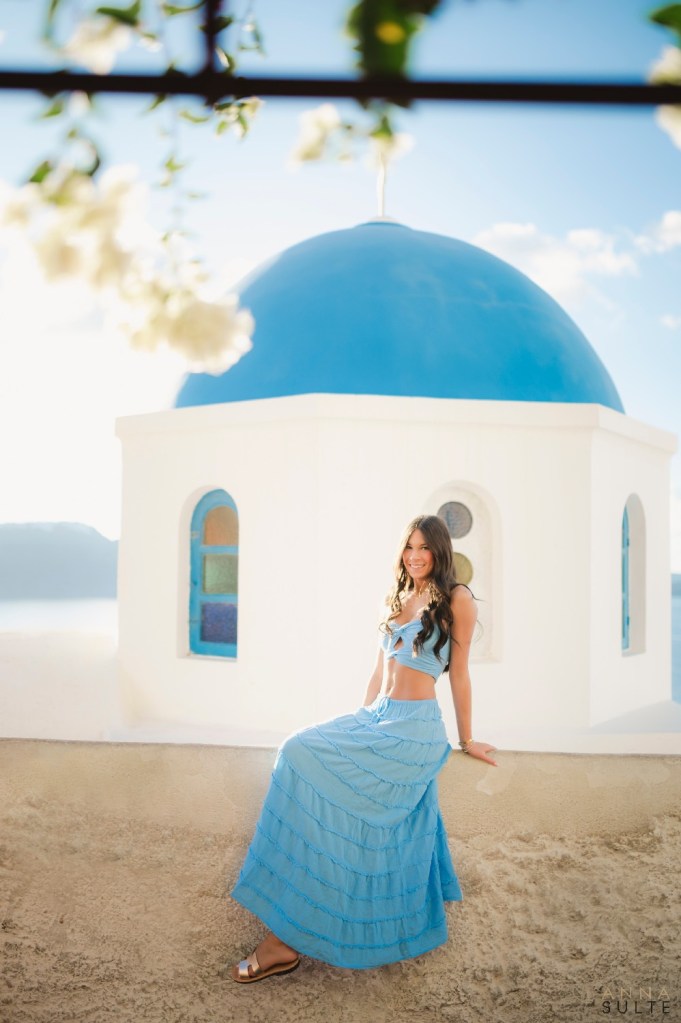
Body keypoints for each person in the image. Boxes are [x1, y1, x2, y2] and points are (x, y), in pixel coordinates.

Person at [230, 514, 497, 983]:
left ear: (440, 551)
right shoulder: (396, 597)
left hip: (413, 730)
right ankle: (287, 931)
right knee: (295, 751)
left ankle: (283, 943)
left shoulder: (457, 599)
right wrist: (359, 724)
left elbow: (460, 673)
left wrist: (468, 739)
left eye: (424, 547)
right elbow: (378, 674)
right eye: (409, 547)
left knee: (344, 811)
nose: (415, 556)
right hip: (377, 718)